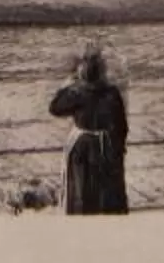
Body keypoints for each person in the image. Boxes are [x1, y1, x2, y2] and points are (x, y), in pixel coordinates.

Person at [48, 46, 129, 214]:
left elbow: (55, 107)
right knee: (107, 194)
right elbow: (122, 127)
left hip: (81, 148)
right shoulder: (112, 93)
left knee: (81, 191)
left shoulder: (77, 93)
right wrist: (118, 151)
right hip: (106, 147)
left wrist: (67, 85)